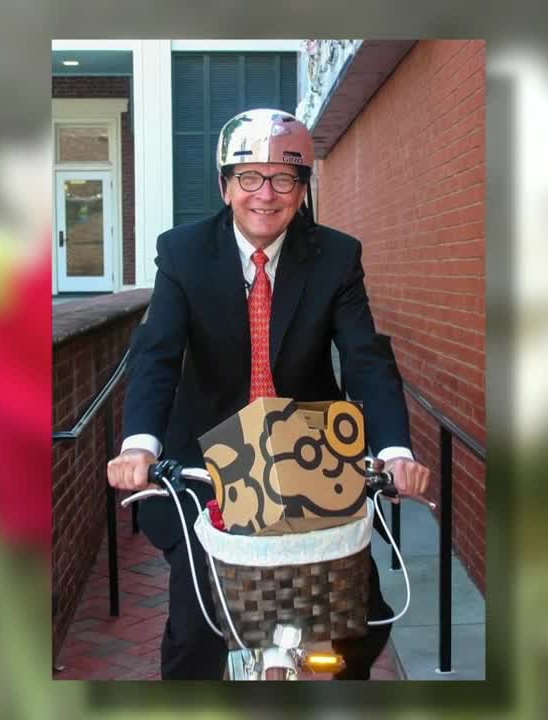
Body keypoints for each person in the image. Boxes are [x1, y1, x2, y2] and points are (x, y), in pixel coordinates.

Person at [106, 108, 430, 680]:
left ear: (302, 191)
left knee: (361, 623)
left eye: (284, 179)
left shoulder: (336, 256)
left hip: (308, 457)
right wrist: (139, 446)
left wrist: (395, 451)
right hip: (208, 460)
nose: (266, 194)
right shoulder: (183, 252)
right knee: (196, 630)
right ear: (226, 186)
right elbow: (157, 355)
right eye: (250, 177)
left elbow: (366, 359)